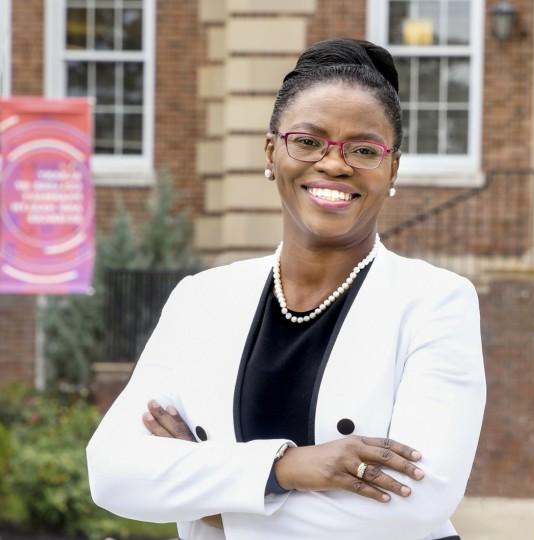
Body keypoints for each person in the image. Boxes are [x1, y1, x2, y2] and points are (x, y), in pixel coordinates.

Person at [86, 38, 486, 540]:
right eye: (308, 141)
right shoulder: (203, 300)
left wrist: (210, 503)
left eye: (364, 149)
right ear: (272, 150)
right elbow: (113, 470)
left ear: (392, 169)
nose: (335, 164)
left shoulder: (434, 301)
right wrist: (284, 469)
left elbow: (414, 504)